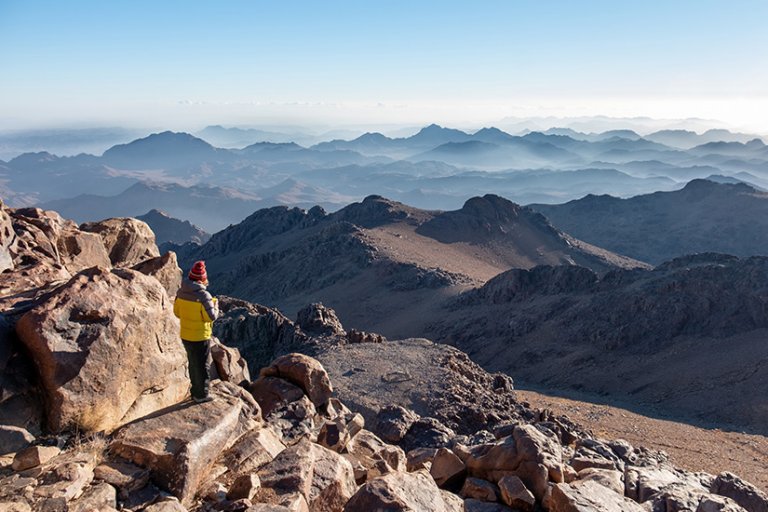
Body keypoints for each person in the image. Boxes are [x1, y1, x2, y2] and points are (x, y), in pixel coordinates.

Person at [173, 260, 219, 403]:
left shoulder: (181, 292)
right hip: (200, 335)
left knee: (193, 364)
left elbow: (177, 312)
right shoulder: (204, 296)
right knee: (203, 365)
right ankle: (202, 394)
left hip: (186, 335)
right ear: (202, 279)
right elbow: (210, 317)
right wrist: (215, 305)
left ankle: (194, 391)